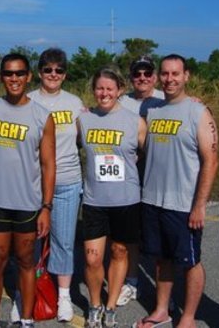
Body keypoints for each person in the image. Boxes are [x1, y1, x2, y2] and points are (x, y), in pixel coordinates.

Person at [136, 55, 219, 328]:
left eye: (176, 74)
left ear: (186, 76)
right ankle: (161, 310)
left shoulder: (197, 112)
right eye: (165, 74)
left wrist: (200, 204)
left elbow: (211, 160)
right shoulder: (154, 111)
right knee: (162, 259)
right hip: (152, 200)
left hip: (183, 204)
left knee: (190, 262)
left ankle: (188, 316)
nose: (170, 79)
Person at [0, 53, 57, 328]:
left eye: (19, 73)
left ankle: (26, 319)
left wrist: (46, 208)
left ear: (28, 76)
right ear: (2, 76)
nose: (14, 79)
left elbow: (49, 165)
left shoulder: (42, 116)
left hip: (28, 203)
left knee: (26, 261)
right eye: (8, 73)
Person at [78, 68, 147, 328]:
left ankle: (111, 307)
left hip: (126, 200)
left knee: (119, 252)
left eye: (109, 88)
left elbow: (151, 154)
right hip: (95, 201)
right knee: (93, 258)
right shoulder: (83, 120)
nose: (104, 93)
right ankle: (95, 305)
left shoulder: (135, 121)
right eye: (99, 88)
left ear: (119, 90)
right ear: (94, 90)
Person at [27, 48, 85, 322]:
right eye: (48, 69)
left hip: (67, 181)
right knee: (30, 243)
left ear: (65, 74)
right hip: (32, 184)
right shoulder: (27, 101)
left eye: (58, 70)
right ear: (39, 72)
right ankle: (26, 294)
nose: (53, 75)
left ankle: (63, 296)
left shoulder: (75, 103)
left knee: (63, 241)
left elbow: (88, 137)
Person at [117, 55, 165, 306]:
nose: (143, 78)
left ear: (154, 76)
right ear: (131, 77)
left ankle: (164, 290)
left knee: (158, 236)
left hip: (159, 176)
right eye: (138, 74)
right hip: (130, 176)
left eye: (147, 73)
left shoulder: (164, 99)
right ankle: (132, 281)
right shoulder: (122, 101)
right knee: (131, 235)